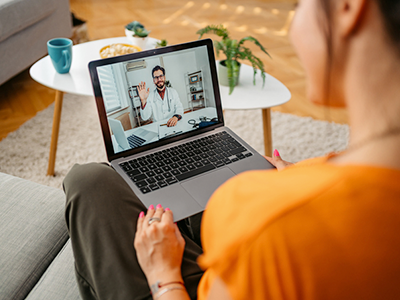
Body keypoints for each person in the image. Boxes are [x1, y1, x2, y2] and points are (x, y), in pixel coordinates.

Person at [64, 0, 400, 299]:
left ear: (348, 7)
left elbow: (179, 111)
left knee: (88, 181)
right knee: (172, 196)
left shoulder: (268, 226)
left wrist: (162, 276)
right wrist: (303, 172)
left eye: (299, 5)